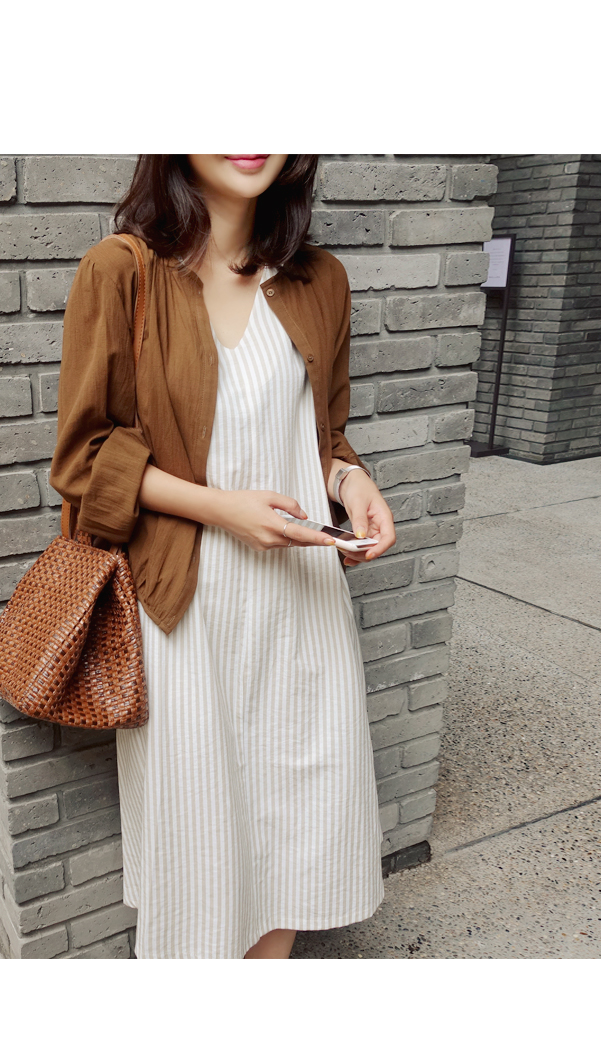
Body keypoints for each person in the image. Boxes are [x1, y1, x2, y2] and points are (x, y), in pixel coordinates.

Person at [50, 155, 397, 959]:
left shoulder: (320, 280)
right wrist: (222, 510)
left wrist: (351, 483)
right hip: (186, 609)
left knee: (297, 823)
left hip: (303, 605)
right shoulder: (122, 272)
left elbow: (323, 436)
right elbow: (83, 461)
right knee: (201, 841)